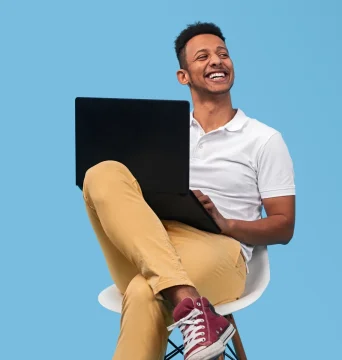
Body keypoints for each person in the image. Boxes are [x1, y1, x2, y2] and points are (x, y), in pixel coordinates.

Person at [82, 22, 296, 360]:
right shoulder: (163, 133)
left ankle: (185, 301)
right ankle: (192, 307)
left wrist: (229, 224)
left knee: (143, 291)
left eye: (223, 55)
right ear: (183, 76)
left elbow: (284, 226)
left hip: (221, 248)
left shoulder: (263, 139)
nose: (216, 61)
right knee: (100, 172)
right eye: (203, 56)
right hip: (154, 241)